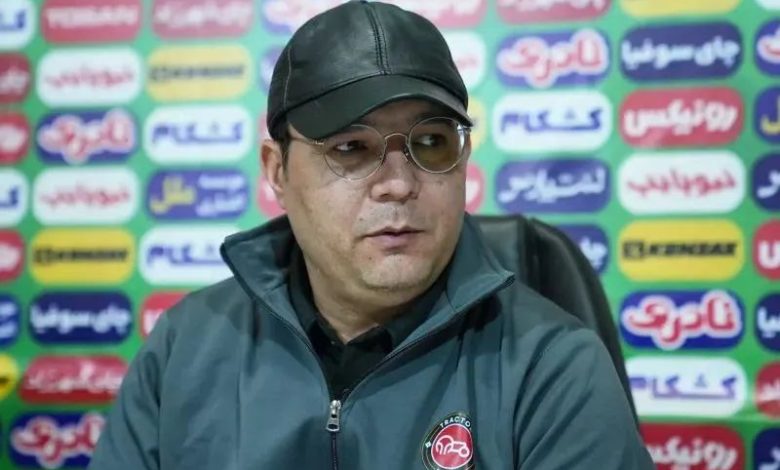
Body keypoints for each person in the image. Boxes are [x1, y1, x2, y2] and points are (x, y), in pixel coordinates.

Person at [89, 1, 654, 468]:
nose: (399, 184)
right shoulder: (184, 348)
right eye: (351, 149)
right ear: (277, 172)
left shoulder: (555, 368)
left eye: (431, 143)